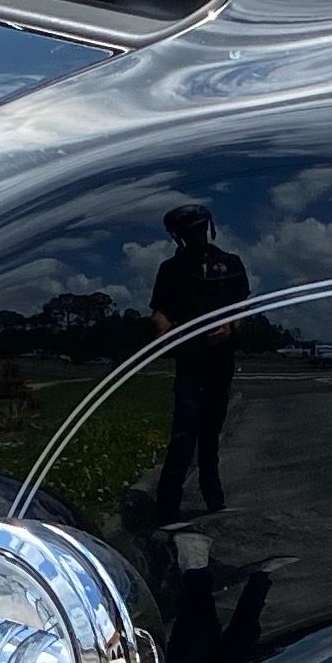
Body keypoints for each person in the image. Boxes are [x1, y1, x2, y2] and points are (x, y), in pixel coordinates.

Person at [147, 204, 251, 522]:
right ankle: (166, 510)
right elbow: (159, 310)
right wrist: (165, 333)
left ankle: (214, 501)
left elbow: (243, 306)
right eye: (187, 231)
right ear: (178, 236)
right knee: (184, 433)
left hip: (220, 361)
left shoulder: (229, 264)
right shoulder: (171, 269)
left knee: (210, 436)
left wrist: (230, 327)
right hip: (189, 361)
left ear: (207, 228)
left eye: (198, 228)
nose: (194, 236)